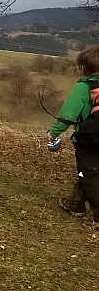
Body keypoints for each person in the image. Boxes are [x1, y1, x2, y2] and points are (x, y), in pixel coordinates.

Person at [47, 45, 99, 228]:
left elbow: (67, 115)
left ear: (85, 66)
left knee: (89, 174)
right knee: (90, 172)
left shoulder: (83, 87)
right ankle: (76, 204)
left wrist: (54, 133)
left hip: (89, 140)